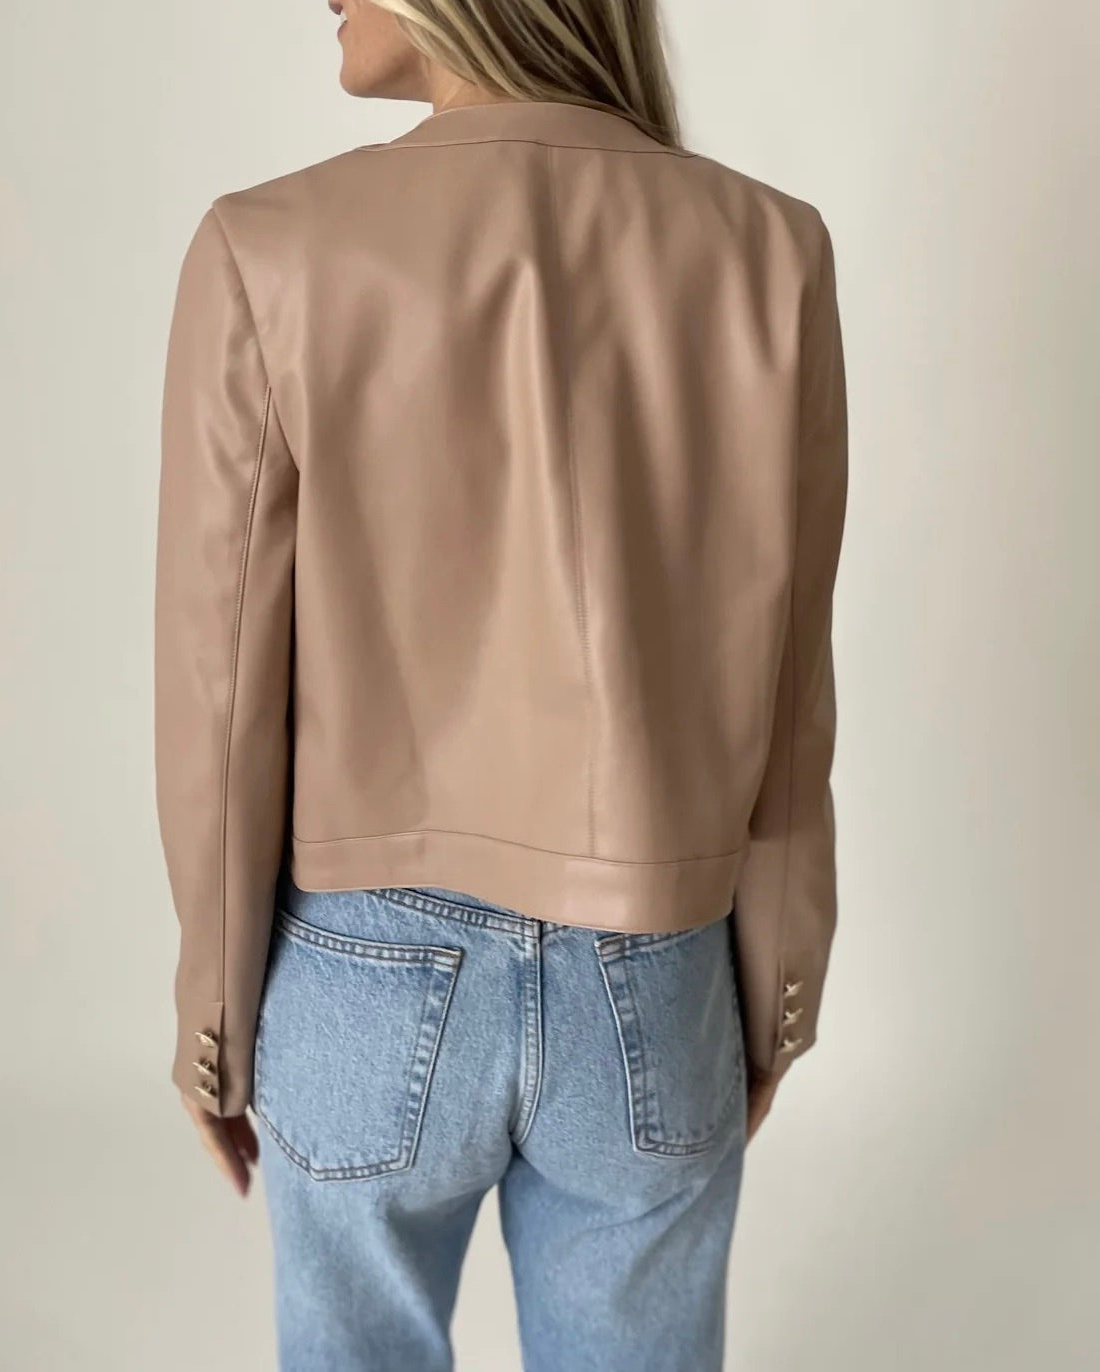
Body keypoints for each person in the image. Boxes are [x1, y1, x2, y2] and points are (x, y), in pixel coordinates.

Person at [153, 1, 848, 1367]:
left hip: (359, 966)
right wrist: (773, 999)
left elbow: (220, 687)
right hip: (656, 970)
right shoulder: (769, 250)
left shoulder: (266, 248)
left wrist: (214, 1021)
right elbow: (786, 684)